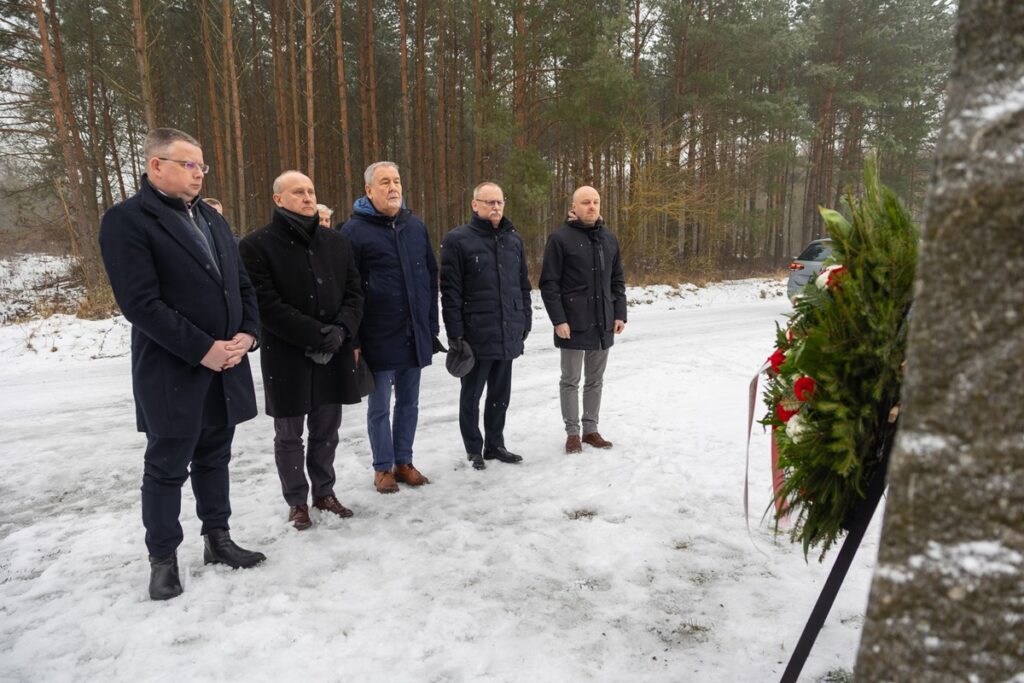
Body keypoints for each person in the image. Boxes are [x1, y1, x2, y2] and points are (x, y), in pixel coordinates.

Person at [98, 128, 266, 601]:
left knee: (215, 457)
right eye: (188, 164)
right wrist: (203, 349)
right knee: (167, 467)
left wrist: (248, 334)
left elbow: (243, 285)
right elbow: (141, 304)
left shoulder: (212, 219)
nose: (198, 174)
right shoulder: (128, 221)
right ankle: (163, 559)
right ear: (156, 166)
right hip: (172, 369)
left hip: (227, 365)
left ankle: (218, 539)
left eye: (201, 166)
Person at [239, 171, 364, 530]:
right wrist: (314, 334)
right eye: (298, 192)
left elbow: (355, 292)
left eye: (310, 191)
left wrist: (341, 330)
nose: (308, 197)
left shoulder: (337, 242)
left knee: (327, 429)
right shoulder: (256, 245)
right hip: (287, 355)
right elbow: (265, 303)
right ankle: (297, 500)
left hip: (334, 349)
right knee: (289, 434)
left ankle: (324, 492)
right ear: (278, 199)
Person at [340, 162, 442, 493]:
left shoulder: (415, 226)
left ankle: (404, 461)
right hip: (377, 334)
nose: (393, 187)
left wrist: (430, 324)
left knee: (410, 403)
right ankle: (383, 467)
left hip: (413, 331)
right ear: (369, 190)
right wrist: (354, 339)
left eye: (396, 180)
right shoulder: (354, 231)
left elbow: (430, 277)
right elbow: (348, 289)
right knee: (380, 406)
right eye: (384, 182)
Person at [440, 182, 531, 470]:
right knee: (471, 396)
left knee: (500, 395)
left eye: (499, 202)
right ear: (475, 204)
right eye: (489, 202)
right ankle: (473, 448)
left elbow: (523, 285)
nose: (495, 207)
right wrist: (456, 334)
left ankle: (495, 444)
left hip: (507, 330)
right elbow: (451, 292)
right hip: (475, 335)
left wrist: (525, 319)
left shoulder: (513, 240)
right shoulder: (458, 240)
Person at [540, 185, 627, 454]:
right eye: (586, 202)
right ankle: (573, 433)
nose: (592, 206)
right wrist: (559, 320)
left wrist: (619, 313)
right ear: (574, 207)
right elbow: (549, 284)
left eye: (596, 202)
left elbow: (617, 281)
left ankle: (591, 430)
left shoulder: (609, 238)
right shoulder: (560, 239)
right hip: (572, 323)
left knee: (595, 379)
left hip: (604, 321)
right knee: (570, 380)